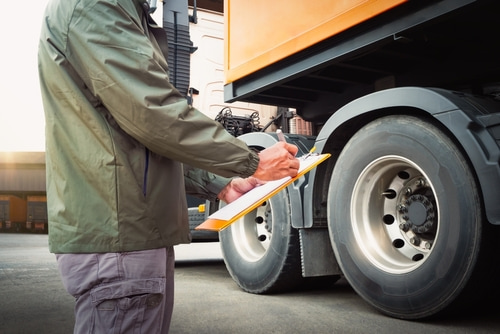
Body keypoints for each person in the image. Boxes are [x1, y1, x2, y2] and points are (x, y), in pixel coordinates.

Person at [37, 0, 300, 333]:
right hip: (121, 234)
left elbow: (132, 134)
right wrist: (249, 161)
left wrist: (219, 180)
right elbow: (151, 112)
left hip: (128, 230)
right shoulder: (96, 4)